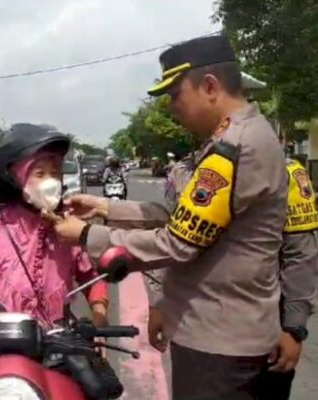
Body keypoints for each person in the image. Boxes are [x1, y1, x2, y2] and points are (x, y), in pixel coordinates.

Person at [50, 35, 288, 399]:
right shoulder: (240, 137)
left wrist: (86, 236)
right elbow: (183, 218)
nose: (172, 107)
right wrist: (105, 209)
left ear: (209, 87)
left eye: (176, 95)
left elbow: (178, 242)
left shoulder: (236, 147)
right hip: (220, 331)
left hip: (220, 343)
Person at [0, 123, 108, 330]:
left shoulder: (67, 230)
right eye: (40, 174)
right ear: (12, 180)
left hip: (61, 346)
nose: (51, 183)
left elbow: (92, 278)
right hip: (3, 349)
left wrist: (100, 317)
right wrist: (10, 322)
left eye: (55, 173)